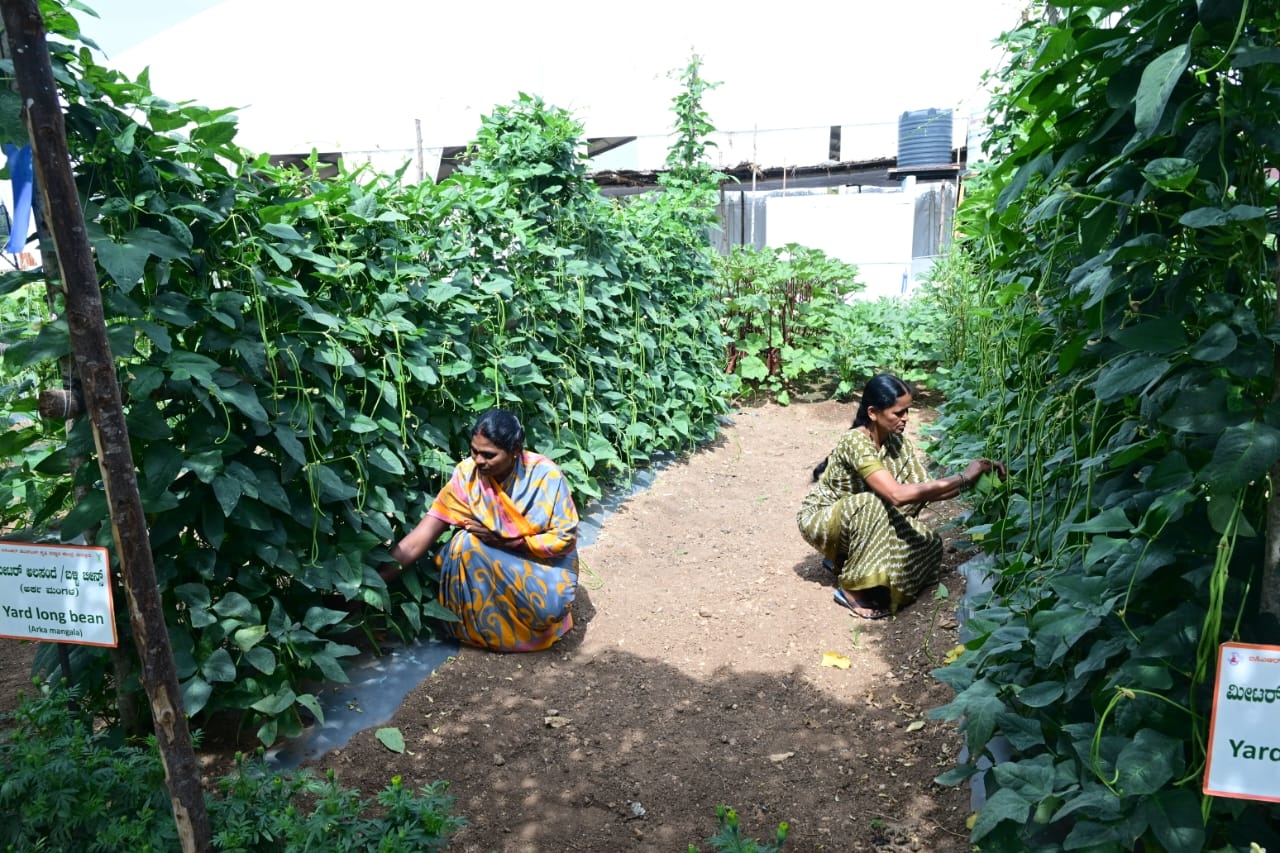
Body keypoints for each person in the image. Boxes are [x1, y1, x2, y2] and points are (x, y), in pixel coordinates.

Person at [797, 373, 1004, 620]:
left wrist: (976, 477)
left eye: (908, 411)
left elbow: (925, 490)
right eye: (898, 413)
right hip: (824, 519)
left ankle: (844, 558)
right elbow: (896, 495)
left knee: (928, 543)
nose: (906, 419)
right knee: (871, 503)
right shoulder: (855, 441)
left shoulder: (896, 443)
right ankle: (851, 589)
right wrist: (963, 476)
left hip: (861, 520)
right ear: (873, 412)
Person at [384, 409, 579, 652]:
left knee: (550, 608)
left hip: (544, 567)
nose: (478, 460)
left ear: (515, 451)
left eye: (489, 455)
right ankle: (481, 631)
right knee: (463, 545)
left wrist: (507, 542)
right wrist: (372, 586)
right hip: (492, 560)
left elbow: (565, 538)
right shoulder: (467, 476)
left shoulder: (545, 476)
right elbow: (417, 541)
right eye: (474, 451)